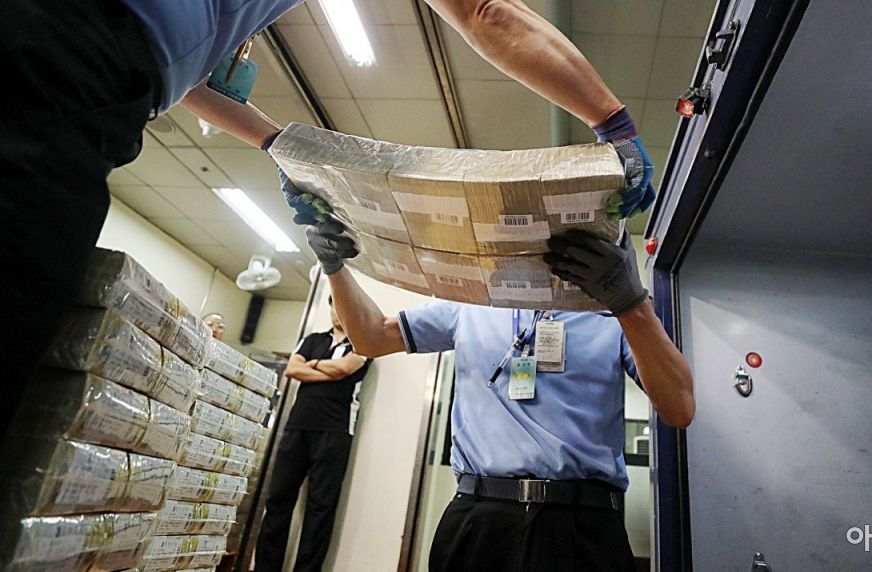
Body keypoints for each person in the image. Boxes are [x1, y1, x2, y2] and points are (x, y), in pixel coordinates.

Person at [1, 0, 655, 439]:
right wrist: (613, 125)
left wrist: (278, 146)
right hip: (68, 62)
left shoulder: (592, 321)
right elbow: (486, 12)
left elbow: (196, 79)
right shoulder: (470, 317)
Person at [304, 220, 694, 572]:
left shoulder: (613, 313)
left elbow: (679, 408)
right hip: (479, 520)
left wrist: (630, 304)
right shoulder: (472, 303)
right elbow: (372, 337)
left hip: (582, 525)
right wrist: (334, 269)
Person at [255, 300, 371, 572]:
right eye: (333, 306)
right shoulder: (312, 339)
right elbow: (293, 370)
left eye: (341, 306)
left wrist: (313, 364)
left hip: (335, 430)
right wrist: (328, 369)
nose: (336, 312)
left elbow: (344, 369)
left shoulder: (364, 343)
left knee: (321, 507)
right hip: (297, 426)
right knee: (278, 499)